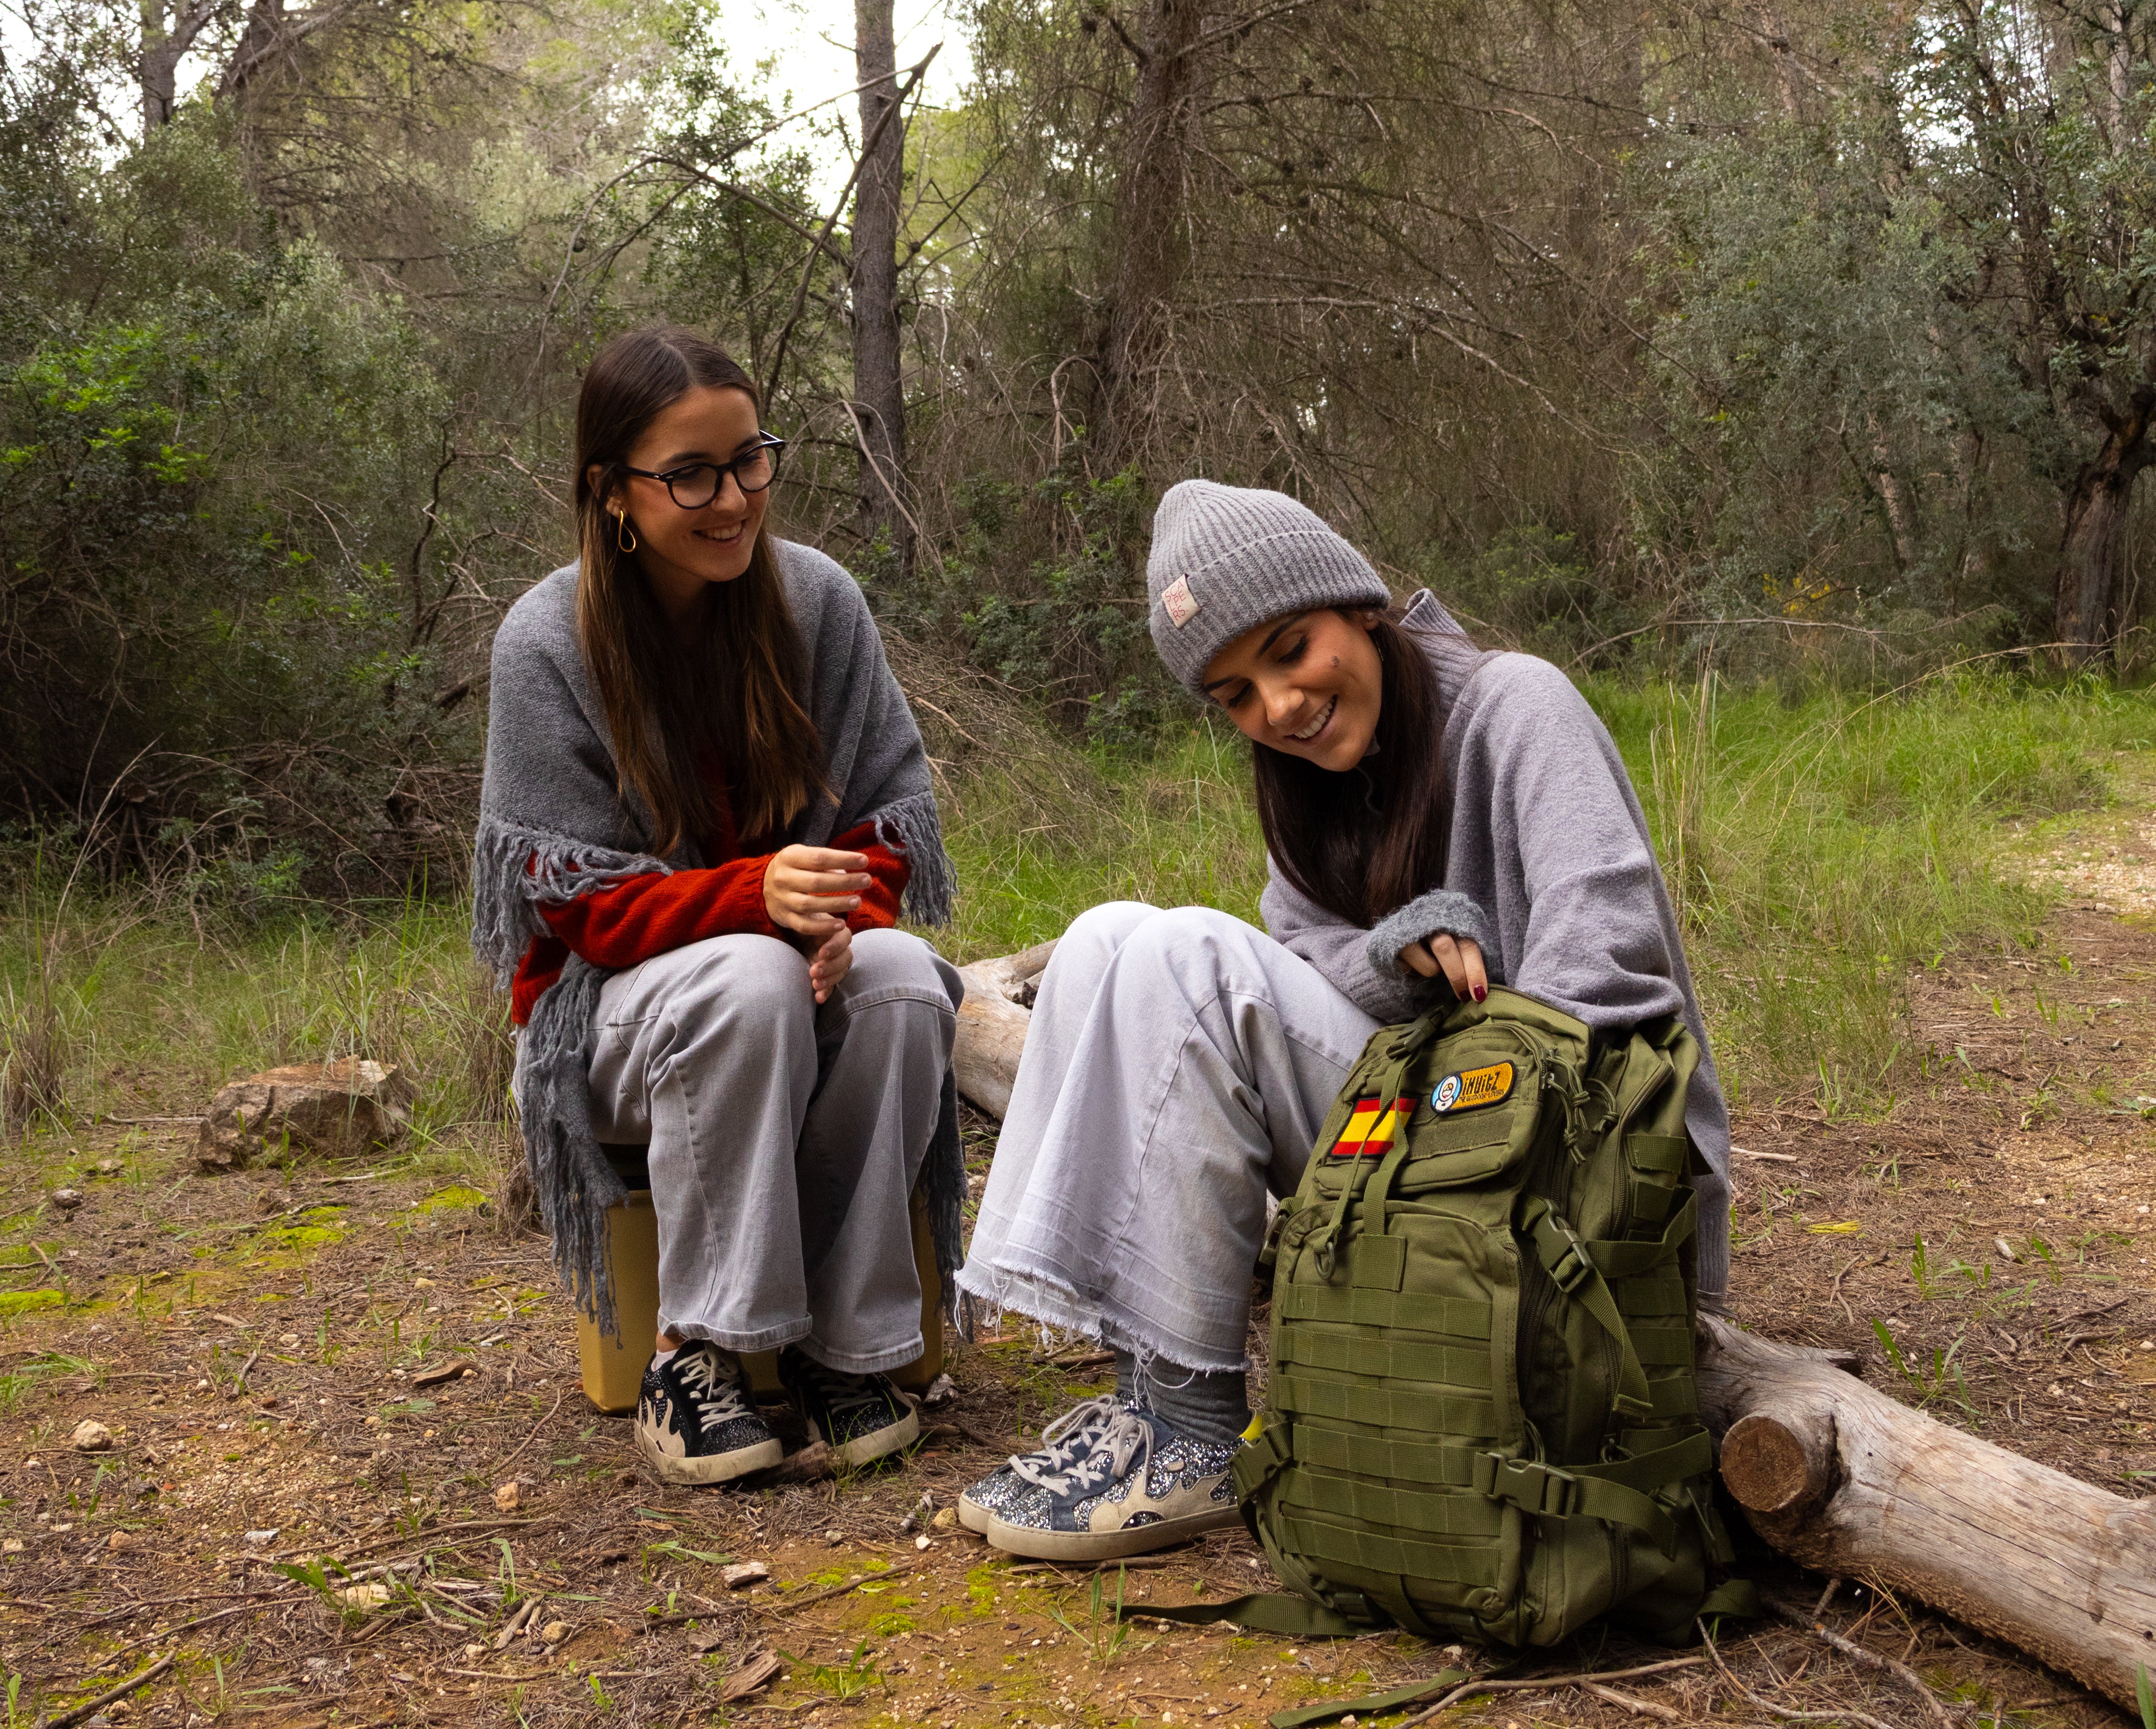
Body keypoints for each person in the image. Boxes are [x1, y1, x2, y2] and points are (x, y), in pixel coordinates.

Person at [955, 480, 1730, 1561]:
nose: (1276, 706)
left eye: (1289, 649)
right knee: (1103, 940)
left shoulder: (1518, 706)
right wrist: (1392, 953)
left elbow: (1609, 976)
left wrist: (1467, 1018)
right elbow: (1312, 960)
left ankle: (1195, 1434)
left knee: (1184, 957)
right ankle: (1149, 1398)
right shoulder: (1308, 778)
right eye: (1234, 694)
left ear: (1357, 607)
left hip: (1584, 1190)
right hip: (1437, 1154)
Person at [474, 325, 962, 1488]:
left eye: (750, 460)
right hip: (605, 1025)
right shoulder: (548, 641)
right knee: (747, 982)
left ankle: (849, 1351)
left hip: (796, 975)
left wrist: (848, 921)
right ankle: (698, 1353)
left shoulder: (819, 606)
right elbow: (573, 905)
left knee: (904, 987)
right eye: (689, 474)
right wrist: (758, 902)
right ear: (610, 494)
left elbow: (885, 820)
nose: (732, 498)